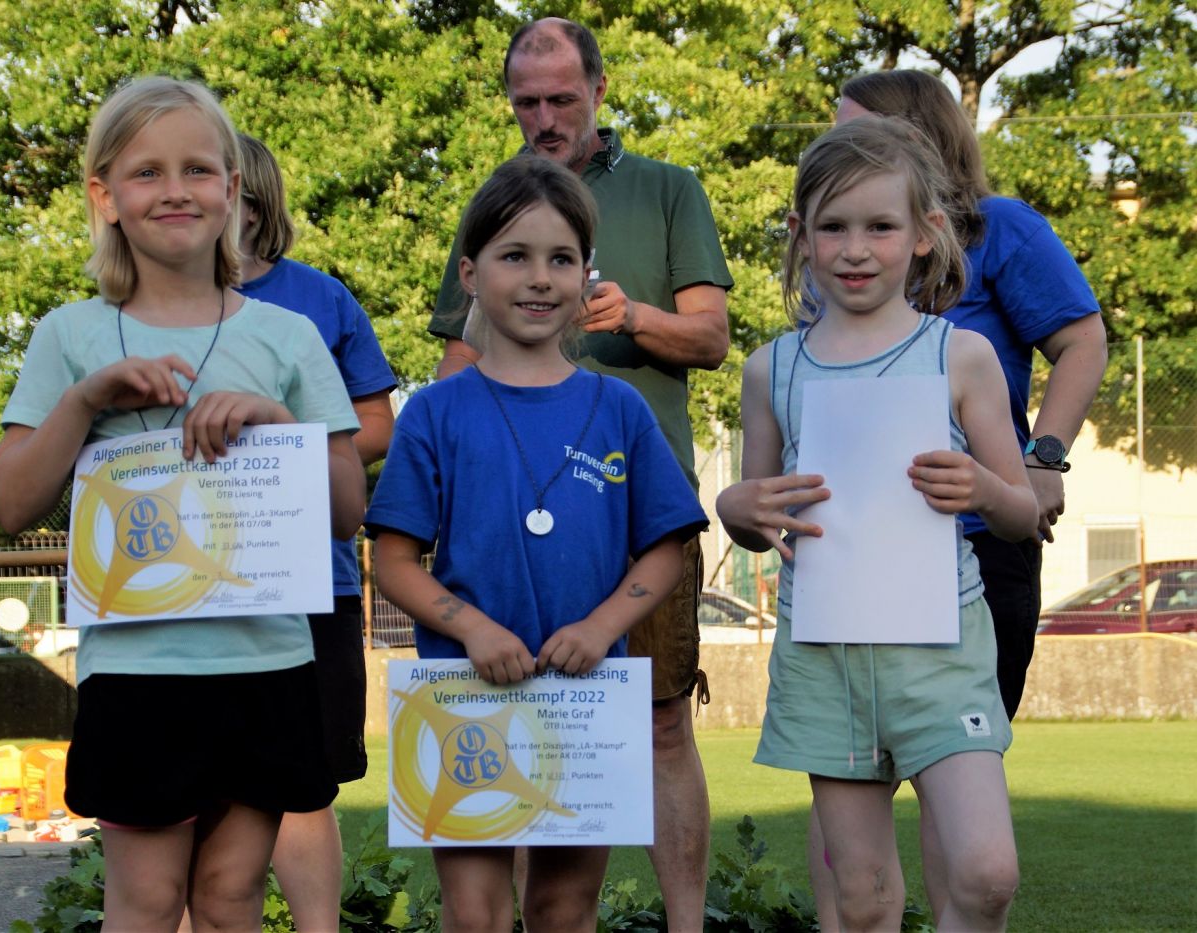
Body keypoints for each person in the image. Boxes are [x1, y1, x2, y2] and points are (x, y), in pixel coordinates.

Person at [0, 77, 365, 932]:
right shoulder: (69, 334)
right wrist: (86, 400)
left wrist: (278, 425)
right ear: (105, 196)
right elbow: (11, 501)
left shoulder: (288, 337)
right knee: (149, 899)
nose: (175, 190)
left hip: (268, 664)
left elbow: (347, 510)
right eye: (147, 172)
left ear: (232, 189)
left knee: (231, 896)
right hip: (138, 671)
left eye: (197, 169)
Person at [427, 20, 731, 926]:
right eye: (527, 101)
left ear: (599, 89)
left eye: (563, 97)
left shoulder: (669, 188)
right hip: (505, 511)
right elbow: (456, 354)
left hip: (634, 508)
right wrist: (442, 456)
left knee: (662, 720)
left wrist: (630, 316)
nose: (546, 117)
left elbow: (712, 337)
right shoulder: (495, 200)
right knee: (518, 711)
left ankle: (685, 923)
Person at [369, 155, 707, 932]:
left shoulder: (620, 409)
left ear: (587, 276)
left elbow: (666, 548)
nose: (539, 278)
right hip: (465, 697)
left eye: (561, 259)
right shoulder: (434, 413)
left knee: (563, 907)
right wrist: (471, 628)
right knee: (476, 911)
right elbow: (393, 560)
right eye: (514, 255)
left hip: (583, 701)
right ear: (471, 273)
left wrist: (600, 627)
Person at [716, 115, 1038, 932]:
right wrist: (735, 509)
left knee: (987, 874)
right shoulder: (771, 369)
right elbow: (759, 512)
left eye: (880, 227)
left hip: (942, 654)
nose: (855, 249)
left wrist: (982, 488)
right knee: (859, 901)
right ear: (801, 235)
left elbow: (1022, 513)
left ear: (925, 233)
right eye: (833, 226)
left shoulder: (959, 357)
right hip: (824, 657)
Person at [805, 70, 1108, 929]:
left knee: (954, 773)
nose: (838, 148)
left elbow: (1084, 339)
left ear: (919, 139)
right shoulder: (836, 258)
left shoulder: (1000, 227)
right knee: (848, 783)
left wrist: (1042, 459)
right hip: (855, 555)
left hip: (977, 541)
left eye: (859, 131)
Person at [234, 132, 396, 929]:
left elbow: (377, 425)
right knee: (193, 792)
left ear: (256, 203)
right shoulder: (136, 308)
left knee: (305, 782)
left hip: (311, 579)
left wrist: (287, 448)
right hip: (188, 591)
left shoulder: (320, 300)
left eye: (218, 184)